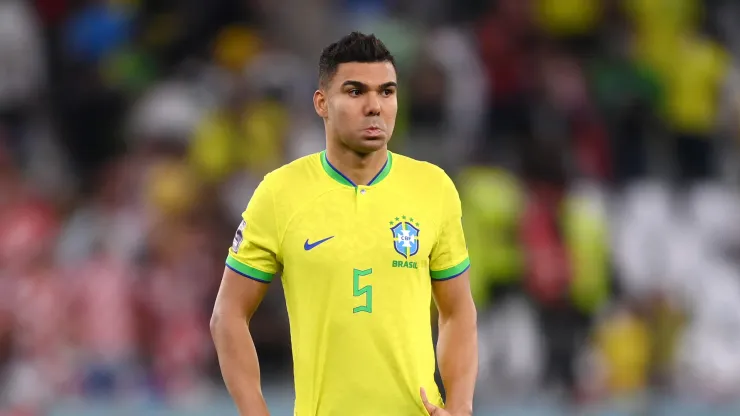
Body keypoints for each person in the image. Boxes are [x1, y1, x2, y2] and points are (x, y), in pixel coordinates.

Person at [210, 32, 478, 416]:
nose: (374, 106)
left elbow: (458, 311)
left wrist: (461, 406)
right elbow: (228, 315)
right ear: (322, 103)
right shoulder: (280, 192)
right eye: (355, 92)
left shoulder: (433, 188)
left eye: (387, 92)